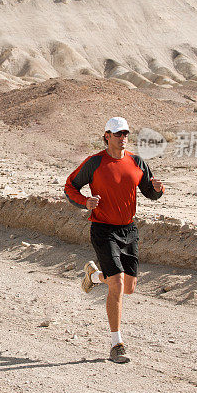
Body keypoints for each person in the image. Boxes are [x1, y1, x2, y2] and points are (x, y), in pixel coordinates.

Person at [64, 117, 164, 363]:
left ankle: (94, 276)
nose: (123, 137)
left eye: (126, 133)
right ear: (107, 135)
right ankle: (116, 343)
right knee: (117, 284)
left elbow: (149, 192)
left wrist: (158, 190)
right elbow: (70, 186)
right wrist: (84, 202)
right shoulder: (94, 162)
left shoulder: (137, 161)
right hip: (103, 229)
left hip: (128, 230)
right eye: (118, 134)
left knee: (128, 288)